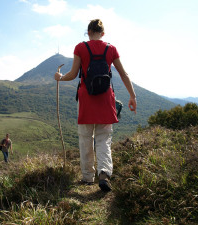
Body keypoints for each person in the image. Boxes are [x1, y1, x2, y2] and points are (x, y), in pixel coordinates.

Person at [54, 19, 137, 192]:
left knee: (85, 138)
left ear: (88, 32)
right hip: (106, 99)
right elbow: (123, 74)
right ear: (103, 33)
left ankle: (87, 177)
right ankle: (104, 174)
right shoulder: (111, 49)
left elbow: (73, 74)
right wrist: (132, 96)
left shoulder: (80, 48)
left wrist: (60, 77)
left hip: (86, 99)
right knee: (104, 138)